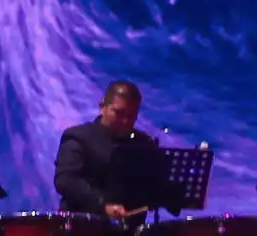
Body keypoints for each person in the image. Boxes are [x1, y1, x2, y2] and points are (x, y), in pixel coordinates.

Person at [54, 80, 171, 218]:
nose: (125, 121)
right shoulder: (78, 137)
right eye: (119, 113)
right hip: (82, 227)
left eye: (131, 116)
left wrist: (171, 195)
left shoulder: (143, 143)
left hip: (130, 234)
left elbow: (154, 188)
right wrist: (102, 204)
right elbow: (66, 180)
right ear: (102, 107)